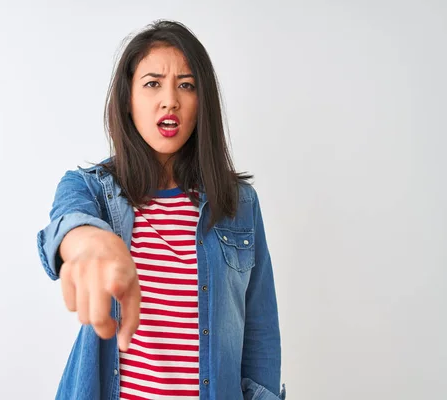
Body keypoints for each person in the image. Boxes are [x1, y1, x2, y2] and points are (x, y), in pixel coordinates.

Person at [37, 19, 286, 400]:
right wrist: (86, 242)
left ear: (202, 103)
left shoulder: (239, 203)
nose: (170, 98)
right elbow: (68, 223)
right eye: (152, 83)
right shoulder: (91, 189)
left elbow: (260, 329)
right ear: (128, 100)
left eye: (186, 85)